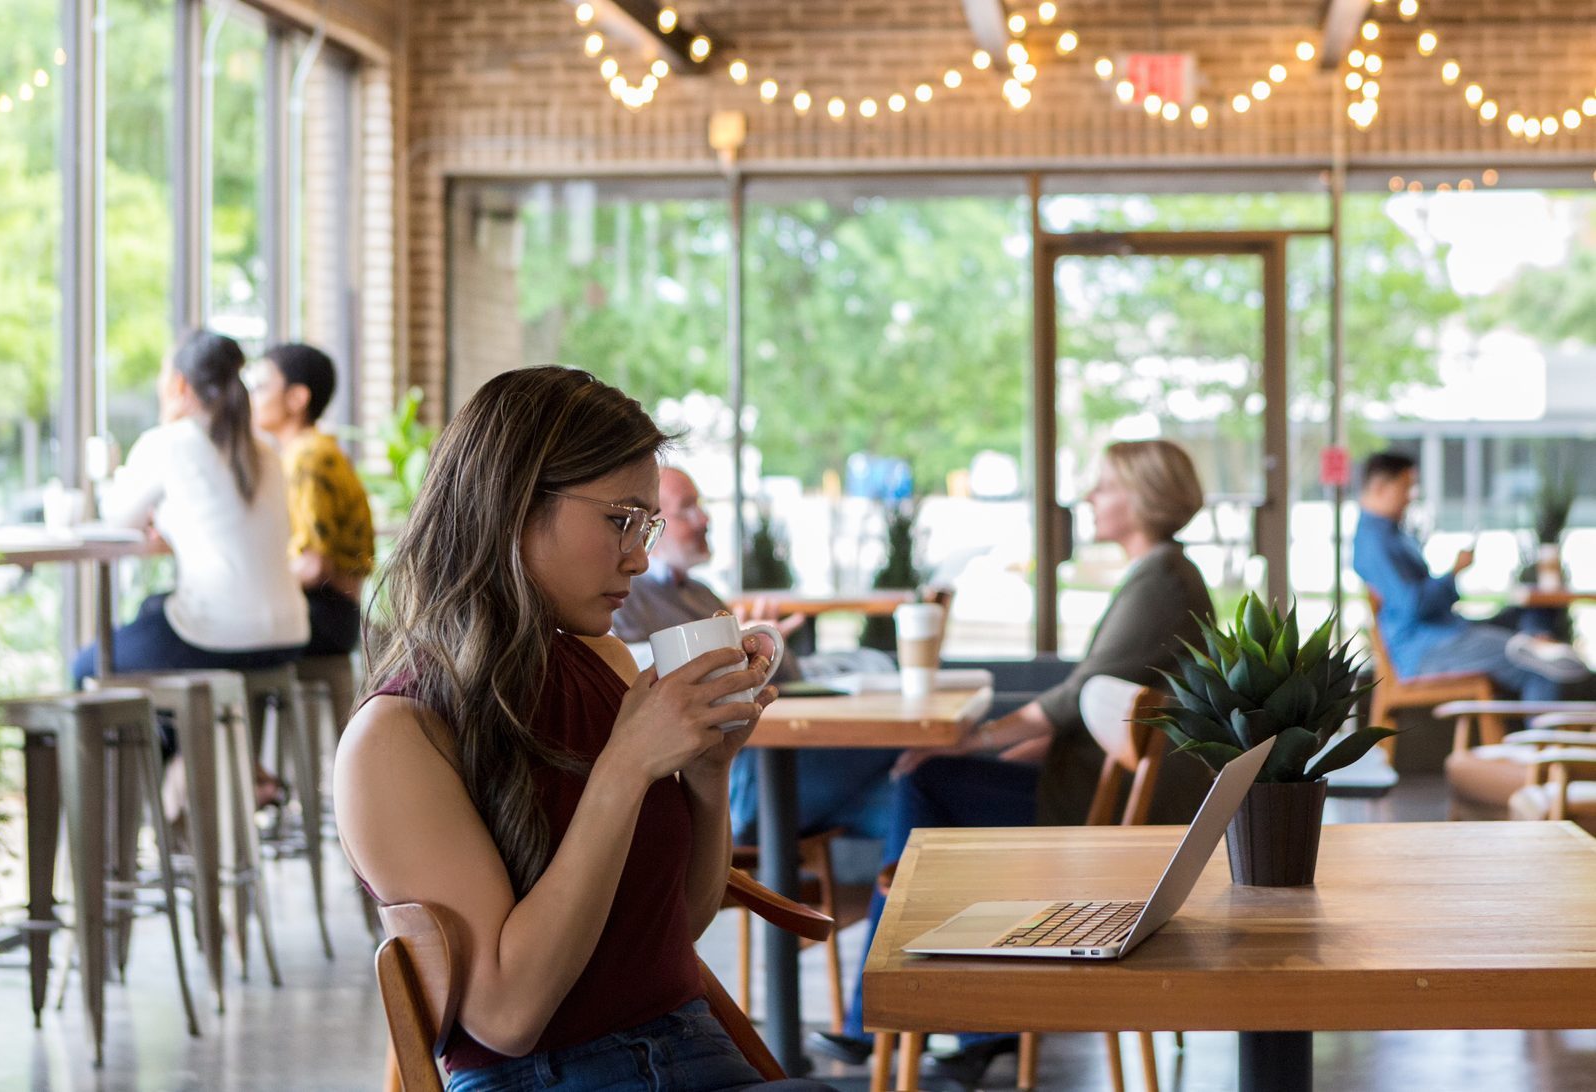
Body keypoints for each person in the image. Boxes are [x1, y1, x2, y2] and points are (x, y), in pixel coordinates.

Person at [334, 367, 832, 1092]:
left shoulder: (606, 663)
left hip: (698, 1051)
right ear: (513, 502)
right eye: (620, 520)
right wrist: (624, 769)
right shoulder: (397, 735)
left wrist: (707, 772)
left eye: (647, 525)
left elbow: (676, 926)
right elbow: (507, 1015)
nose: (641, 555)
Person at [812, 439, 1219, 1084]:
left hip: (1101, 808)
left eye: (1105, 485)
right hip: (1094, 786)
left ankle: (898, 1017)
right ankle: (948, 1024)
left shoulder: (1163, 579)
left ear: (1145, 497)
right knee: (932, 792)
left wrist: (974, 739)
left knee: (927, 779)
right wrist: (1016, 744)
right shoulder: (1162, 573)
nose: (1089, 497)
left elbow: (1075, 696)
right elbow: (1092, 700)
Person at [610, 466, 897, 847]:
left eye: (700, 506)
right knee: (896, 749)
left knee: (906, 793)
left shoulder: (700, 593)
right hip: (736, 779)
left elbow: (782, 677)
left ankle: (876, 890)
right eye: (686, 509)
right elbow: (630, 670)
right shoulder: (624, 598)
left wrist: (764, 646)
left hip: (757, 766)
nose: (704, 519)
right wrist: (733, 647)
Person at [74, 330, 309, 686]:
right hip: (290, 634)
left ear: (180, 385)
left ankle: (170, 726)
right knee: (153, 608)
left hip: (219, 636)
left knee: (85, 667)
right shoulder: (269, 450)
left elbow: (117, 518)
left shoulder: (168, 441)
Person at [1352, 450, 1588, 702]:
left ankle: (1534, 641)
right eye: (1405, 488)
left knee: (1528, 616)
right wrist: (1453, 571)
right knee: (1535, 664)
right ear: (1379, 487)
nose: (1411, 496)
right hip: (1426, 648)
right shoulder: (1374, 542)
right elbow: (1414, 605)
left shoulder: (1394, 535)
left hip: (1447, 631)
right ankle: (1534, 658)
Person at [246, 342, 376, 656]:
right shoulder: (316, 450)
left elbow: (314, 566)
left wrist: (248, 586)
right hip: (338, 614)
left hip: (323, 614)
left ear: (297, 398)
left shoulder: (307, 457)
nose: (251, 398)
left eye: (261, 387)